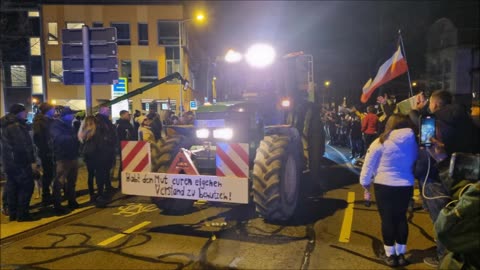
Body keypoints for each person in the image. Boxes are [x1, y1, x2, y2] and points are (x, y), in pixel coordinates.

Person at [409, 90, 480, 267]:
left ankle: (442, 256)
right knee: (458, 218)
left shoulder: (436, 123)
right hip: (462, 180)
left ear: (436, 104)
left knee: (443, 221)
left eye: (431, 104)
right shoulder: (469, 122)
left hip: (435, 177)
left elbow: (427, 150)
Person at [359, 114, 418, 267]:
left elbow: (368, 165)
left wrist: (365, 183)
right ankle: (401, 254)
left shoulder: (380, 142)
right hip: (405, 185)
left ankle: (390, 254)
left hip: (384, 185)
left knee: (387, 219)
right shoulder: (414, 142)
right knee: (401, 218)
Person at [0, 104, 38, 222]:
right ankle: (22, 214)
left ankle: (13, 213)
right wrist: (31, 161)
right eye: (24, 111)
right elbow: (23, 146)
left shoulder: (5, 125)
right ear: (19, 113)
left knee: (12, 187)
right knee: (26, 186)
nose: (26, 113)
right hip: (20, 162)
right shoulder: (16, 126)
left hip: (8, 162)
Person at [50, 106, 80, 213]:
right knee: (59, 182)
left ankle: (72, 201)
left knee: (72, 181)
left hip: (72, 156)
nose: (73, 116)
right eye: (71, 114)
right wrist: (75, 138)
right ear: (65, 116)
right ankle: (57, 205)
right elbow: (58, 139)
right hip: (62, 158)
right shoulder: (56, 126)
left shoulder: (69, 126)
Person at [32, 102, 56, 207]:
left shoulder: (49, 121)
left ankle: (51, 194)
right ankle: (46, 196)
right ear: (48, 110)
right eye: (53, 109)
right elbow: (38, 138)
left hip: (52, 151)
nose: (54, 111)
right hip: (46, 152)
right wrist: (45, 149)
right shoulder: (40, 122)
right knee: (47, 174)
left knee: (52, 173)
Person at [94, 106, 117, 206]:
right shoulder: (99, 122)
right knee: (101, 172)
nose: (109, 112)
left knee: (106, 171)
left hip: (107, 151)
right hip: (101, 152)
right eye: (107, 110)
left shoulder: (105, 121)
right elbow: (100, 137)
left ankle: (107, 187)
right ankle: (100, 193)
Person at [78, 115, 98, 203]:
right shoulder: (95, 131)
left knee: (90, 174)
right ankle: (99, 192)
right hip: (95, 154)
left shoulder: (82, 131)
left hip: (87, 154)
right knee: (98, 173)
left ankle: (91, 194)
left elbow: (81, 143)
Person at [115, 110, 136, 188]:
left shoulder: (122, 123)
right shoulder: (123, 125)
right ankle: (123, 183)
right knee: (124, 165)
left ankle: (123, 183)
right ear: (122, 115)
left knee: (125, 165)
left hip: (125, 147)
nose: (129, 116)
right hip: (126, 147)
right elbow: (128, 136)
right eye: (127, 115)